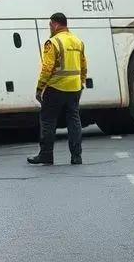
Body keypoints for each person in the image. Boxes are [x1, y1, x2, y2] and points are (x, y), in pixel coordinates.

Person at [28, 12, 87, 166]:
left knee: (48, 121)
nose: (50, 28)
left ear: (55, 24)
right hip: (74, 88)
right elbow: (83, 66)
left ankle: (46, 155)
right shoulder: (77, 41)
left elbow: (47, 68)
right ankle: (76, 157)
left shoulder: (53, 42)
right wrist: (81, 83)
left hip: (55, 88)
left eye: (50, 25)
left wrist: (40, 88)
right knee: (74, 121)